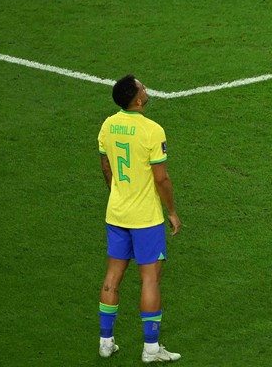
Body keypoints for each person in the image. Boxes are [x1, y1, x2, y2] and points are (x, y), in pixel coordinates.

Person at [97, 75, 182, 363]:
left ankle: (106, 342)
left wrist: (117, 193)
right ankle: (151, 349)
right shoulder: (151, 131)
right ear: (137, 99)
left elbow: (106, 166)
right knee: (150, 280)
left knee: (112, 277)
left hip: (117, 213)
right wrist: (171, 211)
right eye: (141, 86)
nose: (145, 88)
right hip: (145, 219)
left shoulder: (108, 125)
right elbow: (162, 178)